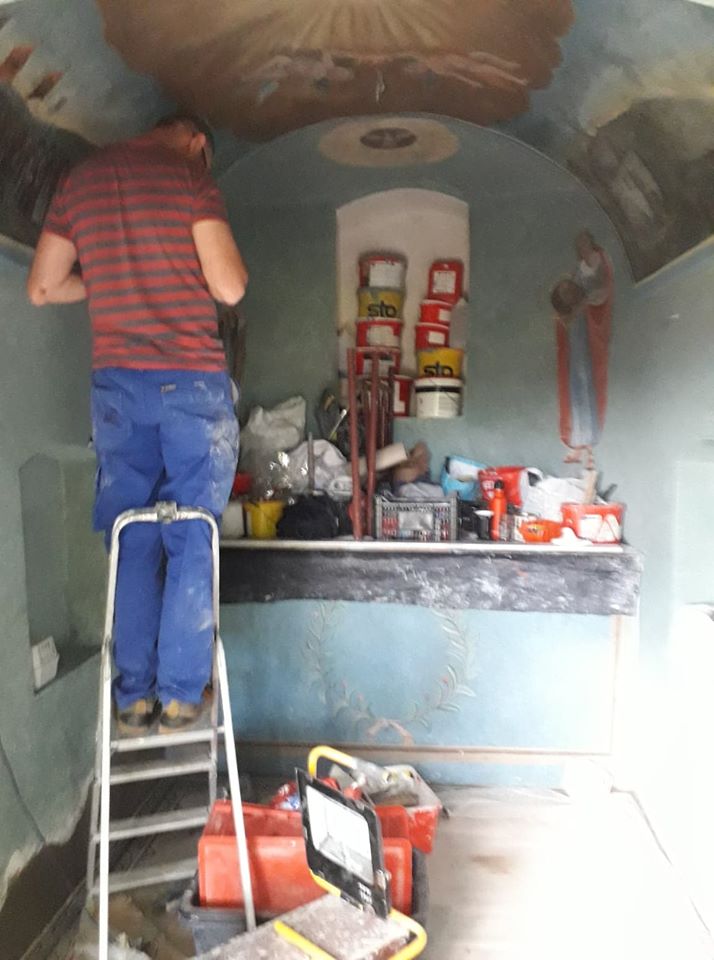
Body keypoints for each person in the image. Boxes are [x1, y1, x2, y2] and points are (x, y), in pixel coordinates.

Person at [27, 114, 248, 734]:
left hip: (117, 389)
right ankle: (179, 695)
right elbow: (229, 287)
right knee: (192, 531)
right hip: (190, 385)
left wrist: (103, 277)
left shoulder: (79, 181)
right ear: (198, 142)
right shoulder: (190, 179)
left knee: (130, 534)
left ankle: (132, 698)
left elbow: (42, 287)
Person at [550, 230, 613, 468]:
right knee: (575, 390)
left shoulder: (598, 264)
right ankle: (578, 442)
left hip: (587, 343)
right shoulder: (579, 269)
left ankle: (589, 446)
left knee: (586, 387)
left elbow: (602, 294)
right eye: (579, 246)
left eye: (584, 244)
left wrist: (582, 303)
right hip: (576, 342)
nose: (581, 248)